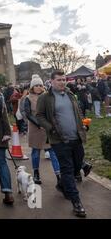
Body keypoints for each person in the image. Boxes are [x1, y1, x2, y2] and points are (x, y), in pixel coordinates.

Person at [36, 70, 88, 218]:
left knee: (77, 167)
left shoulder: (70, 94)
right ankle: (77, 203)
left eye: (64, 79)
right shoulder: (45, 97)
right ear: (51, 81)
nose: (62, 82)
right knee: (67, 169)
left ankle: (62, 185)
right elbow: (39, 115)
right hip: (59, 140)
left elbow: (77, 111)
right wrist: (50, 128)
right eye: (59, 80)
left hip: (76, 138)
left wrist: (83, 124)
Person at [24, 75, 61, 186]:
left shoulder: (47, 96)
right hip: (35, 128)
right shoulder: (28, 98)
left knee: (53, 152)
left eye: (40, 85)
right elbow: (28, 114)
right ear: (32, 87)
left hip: (48, 128)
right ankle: (36, 173)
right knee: (36, 152)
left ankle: (59, 176)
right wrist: (39, 123)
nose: (39, 87)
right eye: (36, 85)